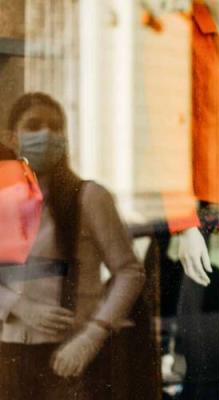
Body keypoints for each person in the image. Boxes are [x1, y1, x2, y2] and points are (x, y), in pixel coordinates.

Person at [0, 93, 146, 399]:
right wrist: (19, 306)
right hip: (10, 352)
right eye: (34, 125)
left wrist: (93, 334)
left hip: (70, 357)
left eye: (55, 127)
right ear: (12, 138)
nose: (46, 134)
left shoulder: (89, 197)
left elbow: (129, 271)